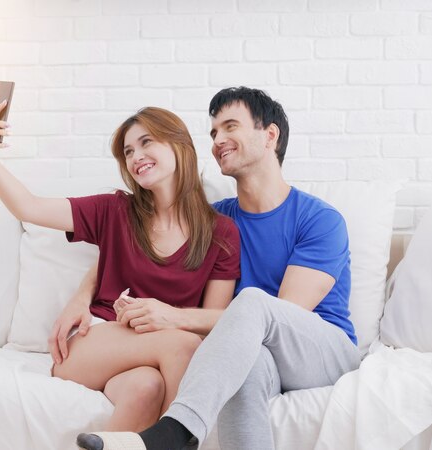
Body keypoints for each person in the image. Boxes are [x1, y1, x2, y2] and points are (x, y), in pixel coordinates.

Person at [75, 87, 361, 450]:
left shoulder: (319, 220)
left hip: (322, 351)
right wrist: (81, 297)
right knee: (242, 365)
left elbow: (285, 314)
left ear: (269, 135)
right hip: (256, 349)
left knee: (256, 303)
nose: (218, 140)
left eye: (230, 127)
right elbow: (125, 248)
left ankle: (176, 430)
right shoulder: (215, 222)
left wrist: (174, 317)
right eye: (213, 132)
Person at [0, 104, 241, 432]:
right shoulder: (116, 210)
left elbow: (212, 322)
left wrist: (165, 315)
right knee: (183, 345)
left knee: (146, 388)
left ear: (179, 145)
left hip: (151, 360)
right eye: (128, 151)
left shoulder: (221, 232)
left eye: (146, 142)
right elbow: (29, 207)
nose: (135, 156)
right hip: (93, 340)